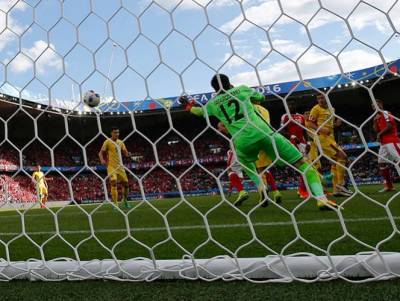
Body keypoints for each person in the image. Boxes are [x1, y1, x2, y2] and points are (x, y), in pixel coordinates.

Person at [179, 74, 337, 210]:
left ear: (214, 89)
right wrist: (239, 91)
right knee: (304, 165)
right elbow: (260, 97)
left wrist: (188, 105)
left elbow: (199, 112)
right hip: (265, 133)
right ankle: (321, 200)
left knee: (244, 163)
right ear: (229, 83)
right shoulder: (241, 89)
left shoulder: (213, 103)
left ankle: (260, 185)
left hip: (242, 141)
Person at [308, 95, 352, 197]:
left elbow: (330, 124)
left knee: (335, 162)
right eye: (318, 98)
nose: (320, 100)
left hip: (331, 138)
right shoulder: (315, 109)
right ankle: (341, 185)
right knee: (343, 157)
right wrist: (321, 130)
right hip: (322, 139)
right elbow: (310, 124)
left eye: (322, 98)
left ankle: (336, 190)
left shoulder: (332, 109)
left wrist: (337, 124)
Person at [281, 100, 310, 199]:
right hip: (292, 143)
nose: (291, 106)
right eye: (289, 105)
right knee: (303, 166)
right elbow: (282, 131)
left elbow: (304, 130)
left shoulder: (301, 117)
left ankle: (303, 189)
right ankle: (302, 190)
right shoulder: (285, 117)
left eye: (292, 104)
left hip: (303, 144)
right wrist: (292, 136)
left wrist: (308, 143)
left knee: (307, 166)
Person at [99, 126, 132, 209]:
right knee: (113, 182)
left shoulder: (121, 142)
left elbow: (126, 153)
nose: (117, 134)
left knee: (126, 185)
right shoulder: (107, 142)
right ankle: (116, 204)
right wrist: (102, 160)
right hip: (111, 166)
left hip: (120, 166)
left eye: (118, 132)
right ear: (111, 133)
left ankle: (124, 201)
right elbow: (100, 153)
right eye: (115, 132)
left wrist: (129, 155)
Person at [373, 99, 399, 192]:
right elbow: (376, 130)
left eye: (375, 104)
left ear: (380, 104)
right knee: (381, 163)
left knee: (399, 160)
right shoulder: (377, 116)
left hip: (392, 141)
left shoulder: (386, 112)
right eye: (372, 106)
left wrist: (379, 134)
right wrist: (374, 120)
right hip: (383, 143)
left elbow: (389, 126)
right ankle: (389, 186)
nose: (374, 106)